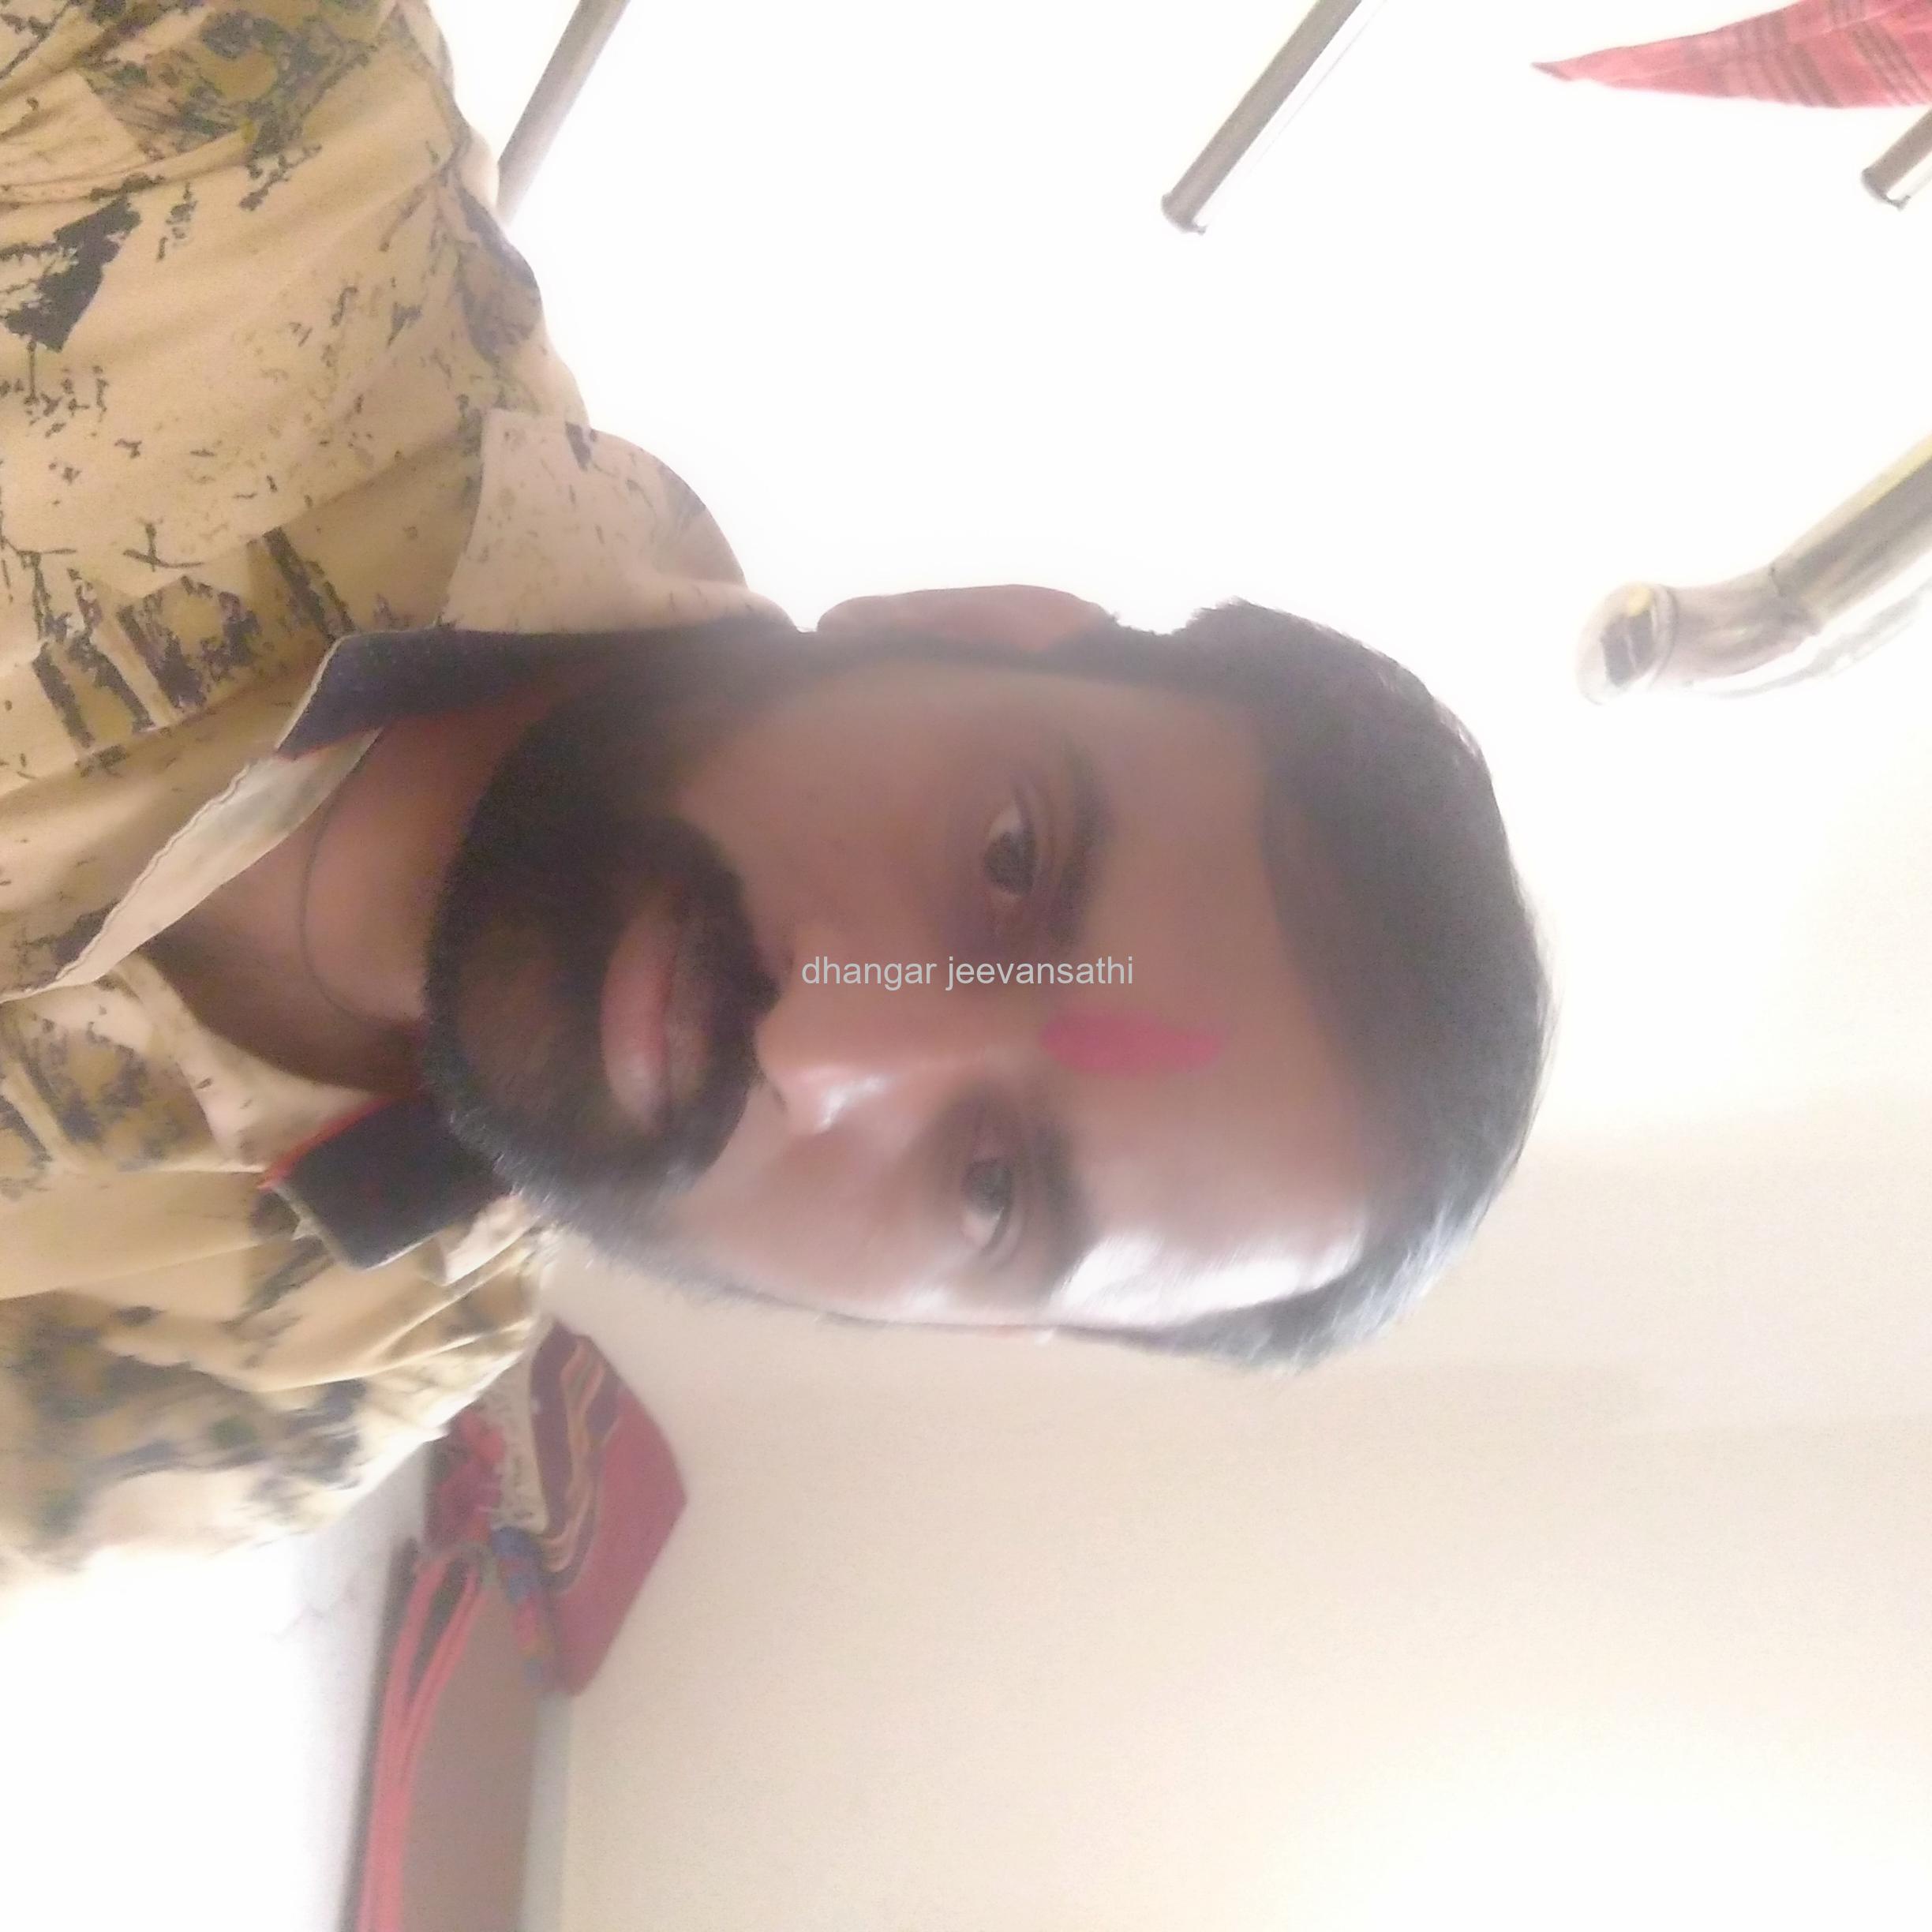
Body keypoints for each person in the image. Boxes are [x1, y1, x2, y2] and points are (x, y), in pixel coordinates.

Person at [0, 0, 1551, 1578]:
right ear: (965, 624)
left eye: (993, 1186)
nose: (824, 1043)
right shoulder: (203, 125)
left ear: (949, 1326)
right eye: (1012, 860)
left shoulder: (304, 1378)